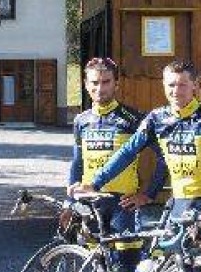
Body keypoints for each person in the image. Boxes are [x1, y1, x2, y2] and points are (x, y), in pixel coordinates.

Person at [73, 60, 201, 256]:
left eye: (182, 84)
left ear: (195, 85)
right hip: (179, 203)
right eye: (171, 85)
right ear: (163, 86)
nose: (176, 91)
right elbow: (127, 152)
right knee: (163, 261)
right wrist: (96, 182)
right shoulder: (156, 119)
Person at [65, 57, 167, 272]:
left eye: (106, 82)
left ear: (116, 84)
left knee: (127, 266)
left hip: (123, 205)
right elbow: (77, 161)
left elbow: (164, 157)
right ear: (85, 84)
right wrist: (69, 201)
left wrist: (148, 194)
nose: (99, 88)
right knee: (96, 264)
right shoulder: (81, 120)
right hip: (90, 203)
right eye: (94, 83)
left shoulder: (134, 119)